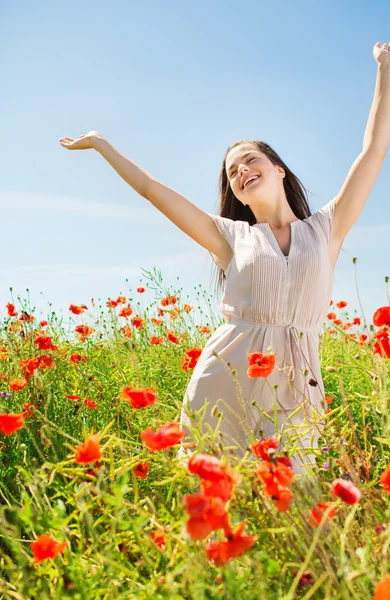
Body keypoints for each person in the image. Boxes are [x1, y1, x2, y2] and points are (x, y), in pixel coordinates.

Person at [59, 132, 343, 475]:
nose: (242, 170)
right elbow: (151, 189)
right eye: (232, 171)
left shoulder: (325, 229)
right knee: (220, 492)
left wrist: (387, 75)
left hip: (296, 382)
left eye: (251, 160)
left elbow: (374, 153)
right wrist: (100, 144)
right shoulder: (231, 236)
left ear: (279, 169)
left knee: (293, 493)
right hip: (227, 380)